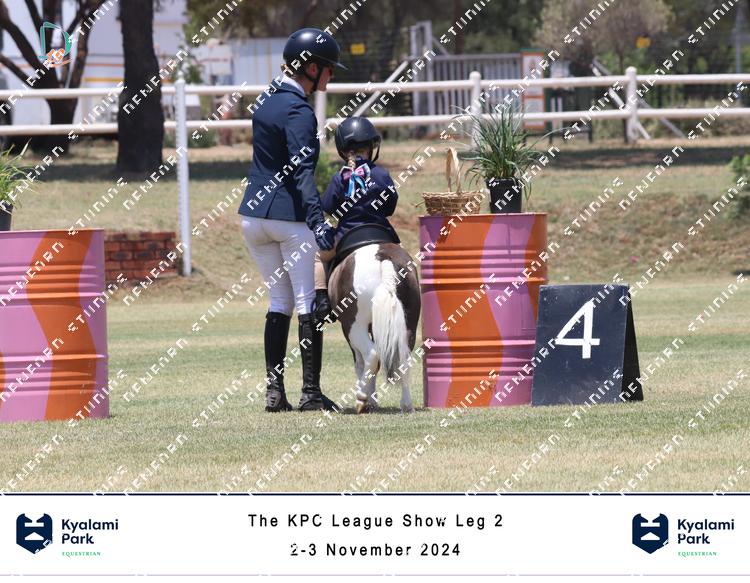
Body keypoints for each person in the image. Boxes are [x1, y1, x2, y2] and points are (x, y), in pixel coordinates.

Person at [238, 28, 346, 412]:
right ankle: (311, 393)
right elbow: (301, 173)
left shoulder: (265, 102)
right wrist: (318, 222)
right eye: (328, 68)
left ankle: (275, 392)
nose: (330, 76)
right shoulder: (299, 111)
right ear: (312, 68)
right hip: (288, 219)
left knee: (278, 300)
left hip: (253, 218)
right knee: (306, 301)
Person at [312, 116, 401, 323]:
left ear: (343, 151)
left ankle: (323, 302)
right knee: (402, 260)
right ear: (371, 147)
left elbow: (328, 207)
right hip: (381, 233)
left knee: (319, 257)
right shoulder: (382, 174)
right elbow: (390, 207)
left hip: (348, 236)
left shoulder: (340, 177)